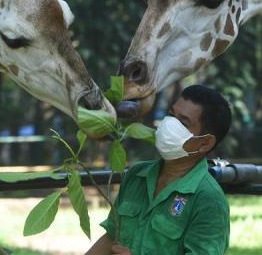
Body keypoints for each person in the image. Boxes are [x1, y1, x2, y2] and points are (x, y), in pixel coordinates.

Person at [86, 85, 232, 255]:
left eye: (183, 123)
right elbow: (111, 237)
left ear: (205, 143)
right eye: (171, 115)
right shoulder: (137, 175)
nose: (169, 124)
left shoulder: (209, 200)